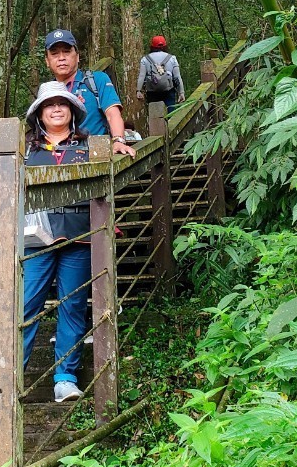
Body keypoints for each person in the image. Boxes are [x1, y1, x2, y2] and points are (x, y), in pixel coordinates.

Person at [22, 82, 93, 403]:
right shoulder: (26, 149)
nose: (55, 109)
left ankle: (65, 377)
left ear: (72, 110)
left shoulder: (88, 145)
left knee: (74, 305)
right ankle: (12, 375)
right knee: (25, 306)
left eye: (61, 104)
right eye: (48, 105)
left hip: (79, 236)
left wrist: (119, 143)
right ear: (39, 113)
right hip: (35, 239)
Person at [42, 28, 136, 158]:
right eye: (54, 53)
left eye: (67, 52)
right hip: (57, 158)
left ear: (78, 56)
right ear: (47, 61)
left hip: (95, 155)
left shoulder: (97, 80)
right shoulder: (46, 92)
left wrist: (118, 140)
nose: (61, 58)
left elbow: (112, 114)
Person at [136, 35, 185, 109]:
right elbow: (177, 77)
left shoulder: (145, 59)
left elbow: (142, 76)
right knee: (170, 113)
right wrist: (181, 92)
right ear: (165, 46)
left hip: (152, 91)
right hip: (169, 90)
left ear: (152, 46)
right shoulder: (172, 58)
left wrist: (138, 91)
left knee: (154, 114)